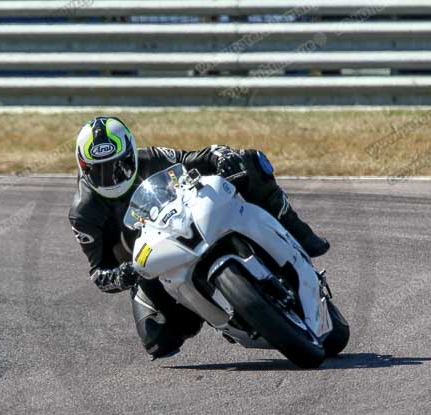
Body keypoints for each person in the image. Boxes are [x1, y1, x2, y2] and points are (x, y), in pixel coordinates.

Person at [68, 116, 329, 359]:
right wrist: (123, 275)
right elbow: (99, 272)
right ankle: (209, 309)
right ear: (83, 167)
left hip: (189, 220)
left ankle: (299, 234)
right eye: (98, 170)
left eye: (119, 167)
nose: (110, 177)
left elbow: (197, 158)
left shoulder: (153, 157)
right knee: (158, 341)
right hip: (151, 265)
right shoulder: (83, 213)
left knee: (248, 161)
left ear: (131, 154)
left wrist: (221, 154)